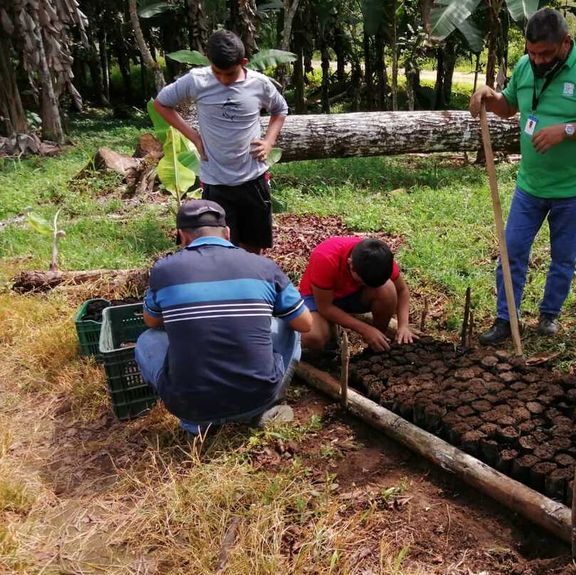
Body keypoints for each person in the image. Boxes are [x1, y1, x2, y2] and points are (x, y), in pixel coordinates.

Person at [469, 8, 576, 344]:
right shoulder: (525, 66)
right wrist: (488, 96)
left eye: (545, 54)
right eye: (532, 53)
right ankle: (506, 319)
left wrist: (564, 131)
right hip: (530, 184)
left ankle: (549, 316)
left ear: (565, 43)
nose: (537, 61)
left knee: (562, 257)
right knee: (512, 251)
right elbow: (508, 106)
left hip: (573, 186)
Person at [135, 200, 312, 435]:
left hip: (191, 407)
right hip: (256, 398)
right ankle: (268, 404)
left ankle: (196, 423)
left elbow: (152, 322)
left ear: (183, 236)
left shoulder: (163, 271)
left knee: (147, 339)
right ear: (227, 233)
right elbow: (306, 323)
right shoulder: (264, 267)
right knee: (289, 323)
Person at [152, 30, 287, 255]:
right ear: (209, 61)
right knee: (221, 246)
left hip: (252, 178)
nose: (223, 79)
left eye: (230, 74)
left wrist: (269, 141)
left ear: (243, 63)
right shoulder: (196, 80)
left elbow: (280, 110)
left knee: (253, 246)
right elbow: (162, 104)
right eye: (217, 72)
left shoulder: (259, 84)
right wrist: (194, 137)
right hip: (216, 180)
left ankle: (249, 283)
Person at [298, 236, 416, 352]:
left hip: (353, 296)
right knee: (314, 337)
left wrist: (403, 326)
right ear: (351, 264)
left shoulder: (381, 260)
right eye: (362, 282)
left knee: (387, 289)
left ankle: (377, 342)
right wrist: (365, 329)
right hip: (318, 298)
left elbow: (402, 291)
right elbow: (325, 307)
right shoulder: (326, 257)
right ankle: (329, 341)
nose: (366, 286)